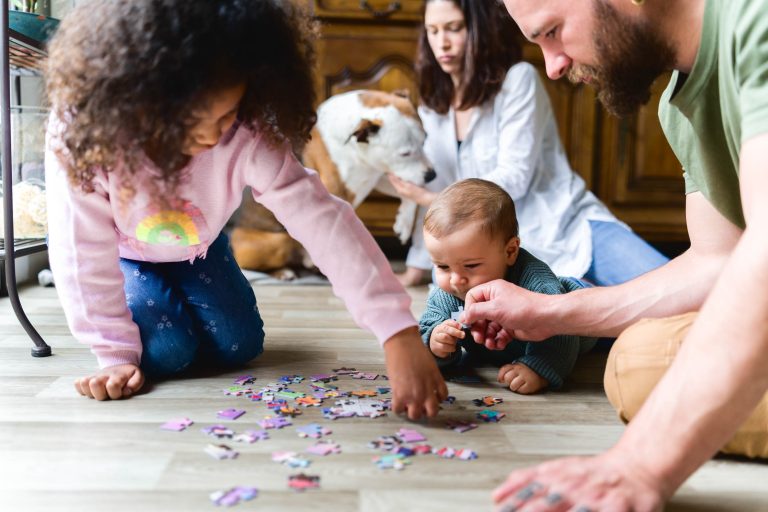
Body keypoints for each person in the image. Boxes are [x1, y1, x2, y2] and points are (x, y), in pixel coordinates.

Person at [43, 0, 447, 419]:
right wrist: (113, 352)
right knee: (167, 351)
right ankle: (154, 307)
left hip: (197, 246)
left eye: (226, 115)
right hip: (123, 252)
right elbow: (81, 250)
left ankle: (173, 298)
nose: (211, 135)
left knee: (241, 344)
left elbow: (324, 221)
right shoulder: (88, 133)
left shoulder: (248, 130)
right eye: (188, 121)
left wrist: (396, 331)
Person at [460, 0, 768, 510]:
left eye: (553, 32)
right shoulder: (679, 102)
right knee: (640, 358)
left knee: (644, 363)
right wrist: (553, 314)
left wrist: (639, 465)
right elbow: (717, 260)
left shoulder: (755, 19)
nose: (553, 66)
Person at [389, 0, 668, 288]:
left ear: (479, 29)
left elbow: (514, 179)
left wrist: (431, 199)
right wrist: (416, 267)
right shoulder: (432, 105)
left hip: (569, 226)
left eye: (454, 28)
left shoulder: (518, 80)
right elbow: (438, 206)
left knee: (679, 295)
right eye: (432, 31)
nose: (442, 43)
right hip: (500, 251)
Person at [419, 179, 595, 394]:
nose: (456, 280)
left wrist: (537, 367)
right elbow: (426, 329)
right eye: (443, 266)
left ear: (510, 252)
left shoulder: (537, 285)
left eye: (471, 265)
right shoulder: (448, 295)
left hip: (577, 302)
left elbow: (561, 330)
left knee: (622, 333)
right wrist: (436, 343)